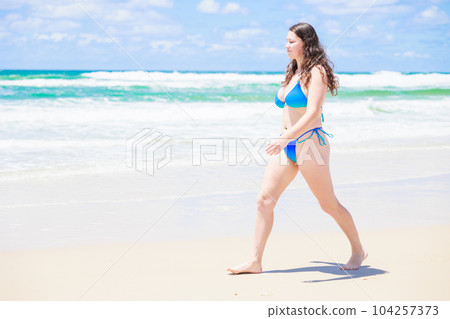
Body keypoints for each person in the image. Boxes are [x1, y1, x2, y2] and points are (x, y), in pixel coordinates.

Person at [227, 22, 367, 274]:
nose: (286, 45)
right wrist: (284, 139)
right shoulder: (294, 72)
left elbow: (313, 112)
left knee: (328, 205)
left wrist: (285, 138)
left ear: (306, 42)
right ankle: (255, 261)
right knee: (263, 201)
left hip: (310, 144)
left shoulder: (317, 72)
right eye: (286, 41)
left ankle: (358, 250)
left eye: (291, 41)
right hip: (287, 145)